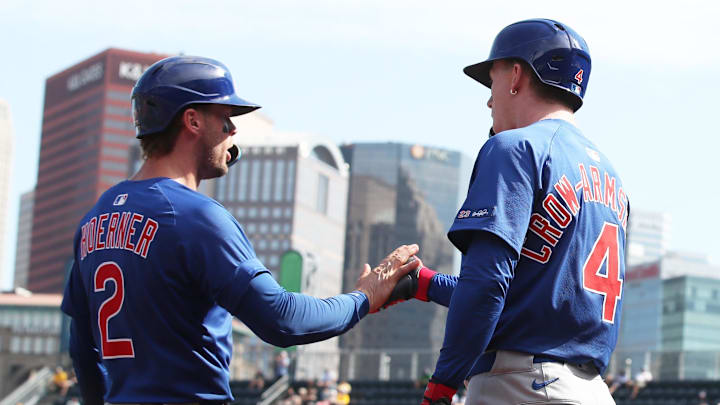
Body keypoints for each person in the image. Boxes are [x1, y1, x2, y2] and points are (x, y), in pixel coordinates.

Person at [60, 56, 420, 404]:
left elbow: (82, 344)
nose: (233, 131)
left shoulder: (97, 215)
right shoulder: (195, 216)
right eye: (226, 118)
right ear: (192, 121)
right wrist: (363, 296)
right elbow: (282, 319)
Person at [382, 19, 629, 404]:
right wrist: (424, 283)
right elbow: (531, 297)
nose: (489, 99)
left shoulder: (514, 148)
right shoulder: (610, 177)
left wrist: (442, 385)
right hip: (590, 390)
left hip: (521, 384)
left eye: (492, 80)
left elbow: (487, 285)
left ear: (516, 75)